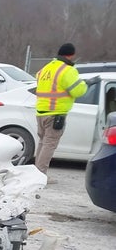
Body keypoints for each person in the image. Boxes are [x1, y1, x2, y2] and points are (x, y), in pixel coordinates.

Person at [34, 43, 90, 174]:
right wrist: (85, 84)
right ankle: (40, 175)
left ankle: (36, 173)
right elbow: (78, 91)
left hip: (41, 112)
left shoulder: (46, 68)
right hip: (56, 114)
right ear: (71, 55)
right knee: (49, 145)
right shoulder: (67, 70)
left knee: (43, 143)